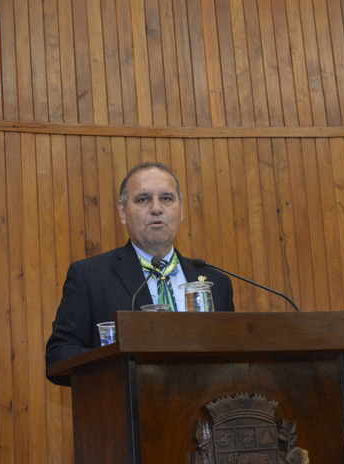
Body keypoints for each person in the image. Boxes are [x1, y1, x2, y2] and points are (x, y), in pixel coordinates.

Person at [45, 162, 235, 385]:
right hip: (126, 402)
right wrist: (116, 361)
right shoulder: (89, 276)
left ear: (181, 210)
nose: (156, 208)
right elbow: (59, 355)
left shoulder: (216, 281)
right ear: (123, 212)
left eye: (166, 198)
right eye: (143, 199)